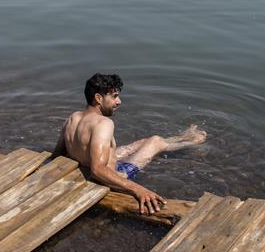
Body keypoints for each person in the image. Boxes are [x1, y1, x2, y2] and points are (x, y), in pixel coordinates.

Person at [54, 73, 207, 215]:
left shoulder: (73, 118)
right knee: (155, 142)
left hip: (92, 165)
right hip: (114, 177)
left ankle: (181, 137)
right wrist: (138, 190)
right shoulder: (103, 123)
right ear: (98, 98)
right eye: (114, 97)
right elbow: (98, 170)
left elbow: (58, 154)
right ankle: (192, 140)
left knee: (141, 143)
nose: (119, 102)